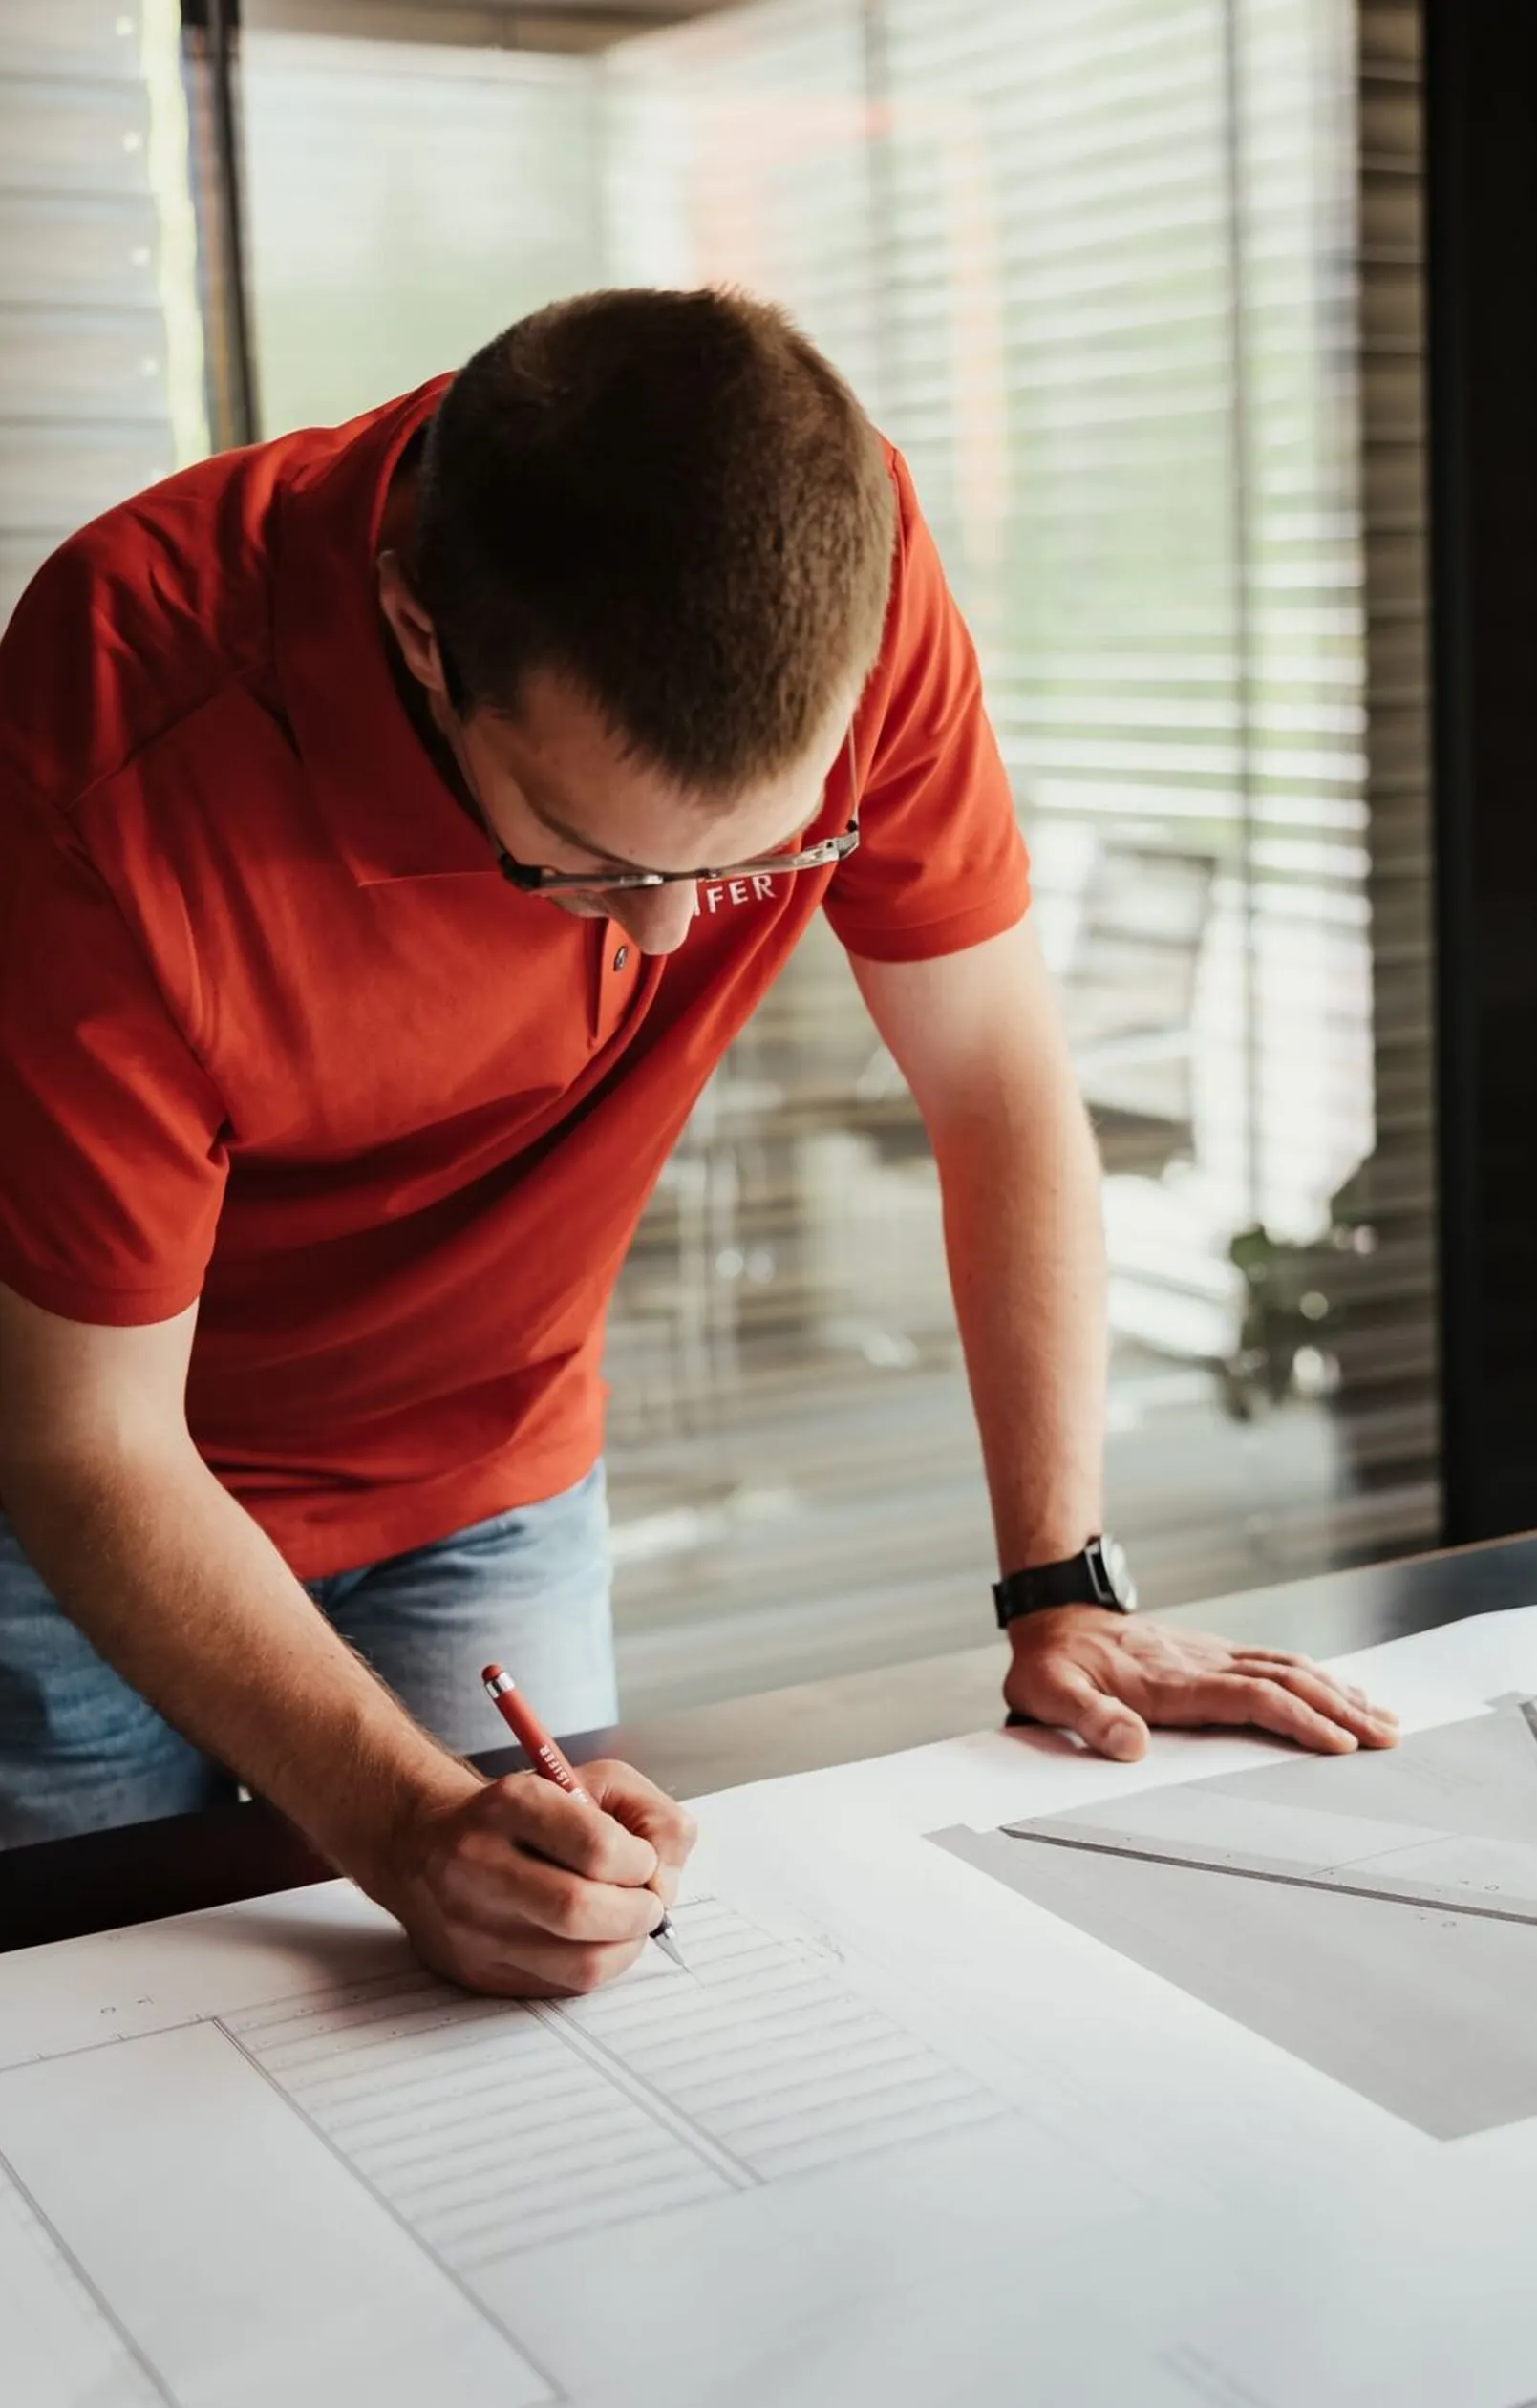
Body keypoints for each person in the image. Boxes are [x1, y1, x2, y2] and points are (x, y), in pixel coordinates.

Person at [0, 287, 1394, 1994]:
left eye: (751, 861)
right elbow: (88, 1444)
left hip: (493, 1465)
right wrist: (400, 1826)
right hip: (91, 1500)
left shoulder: (843, 575)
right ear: (423, 634)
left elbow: (997, 1090)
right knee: (105, 2037)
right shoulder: (121, 718)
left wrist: (1065, 1583)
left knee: (545, 1986)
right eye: (584, 859)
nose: (659, 940)